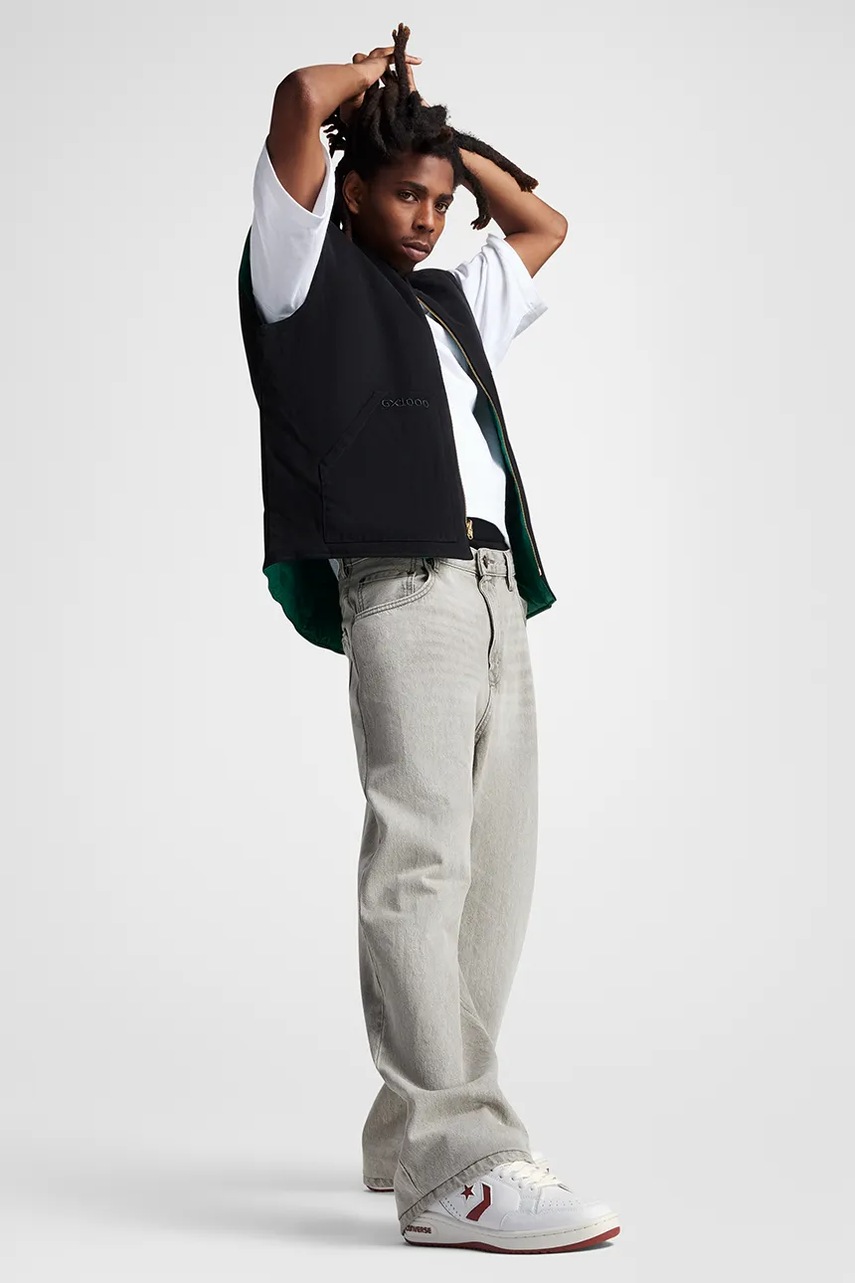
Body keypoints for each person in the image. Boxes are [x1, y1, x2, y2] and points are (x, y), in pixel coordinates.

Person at [238, 23, 620, 1253]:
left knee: (492, 874)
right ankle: (461, 1160)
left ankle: (409, 1122)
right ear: (349, 190)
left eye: (441, 203)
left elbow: (542, 225)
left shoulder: (451, 302)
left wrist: (446, 142)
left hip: (495, 587)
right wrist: (371, 91)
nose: (429, 218)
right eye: (405, 194)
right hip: (404, 586)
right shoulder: (300, 274)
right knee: (419, 863)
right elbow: (295, 98)